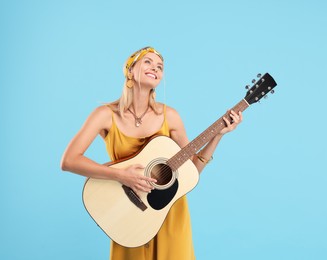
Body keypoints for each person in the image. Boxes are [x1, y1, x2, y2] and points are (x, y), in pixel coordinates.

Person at [61, 46, 242, 260]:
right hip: (129, 214)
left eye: (160, 67)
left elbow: (192, 171)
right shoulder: (105, 115)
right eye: (148, 62)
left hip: (168, 214)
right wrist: (121, 175)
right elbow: (69, 161)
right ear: (130, 70)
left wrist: (217, 136)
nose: (155, 68)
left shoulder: (171, 116)